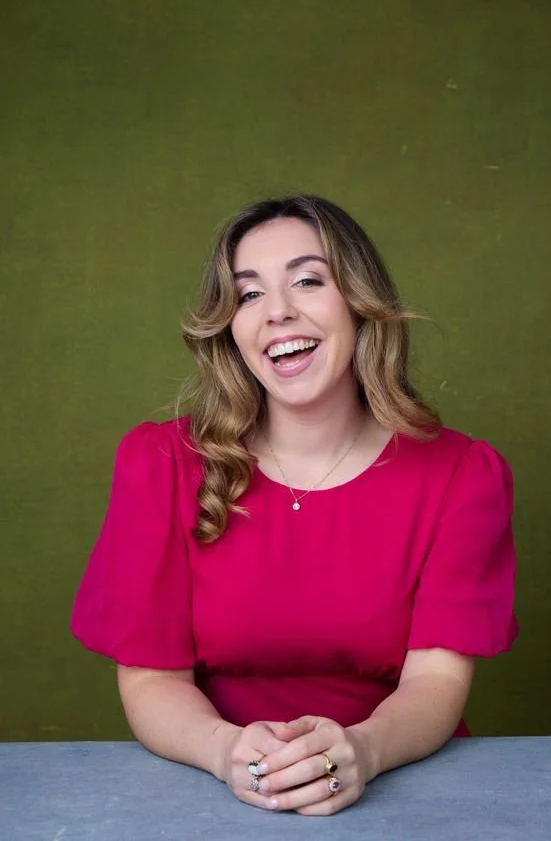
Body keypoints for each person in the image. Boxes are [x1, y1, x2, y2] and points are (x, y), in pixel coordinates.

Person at [71, 195, 518, 816]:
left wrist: (360, 751)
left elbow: (436, 682)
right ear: (230, 326)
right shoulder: (161, 465)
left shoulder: (462, 475)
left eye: (308, 281)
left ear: (361, 305)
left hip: (403, 791)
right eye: (248, 294)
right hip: (210, 793)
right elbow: (150, 680)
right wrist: (229, 752)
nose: (277, 311)